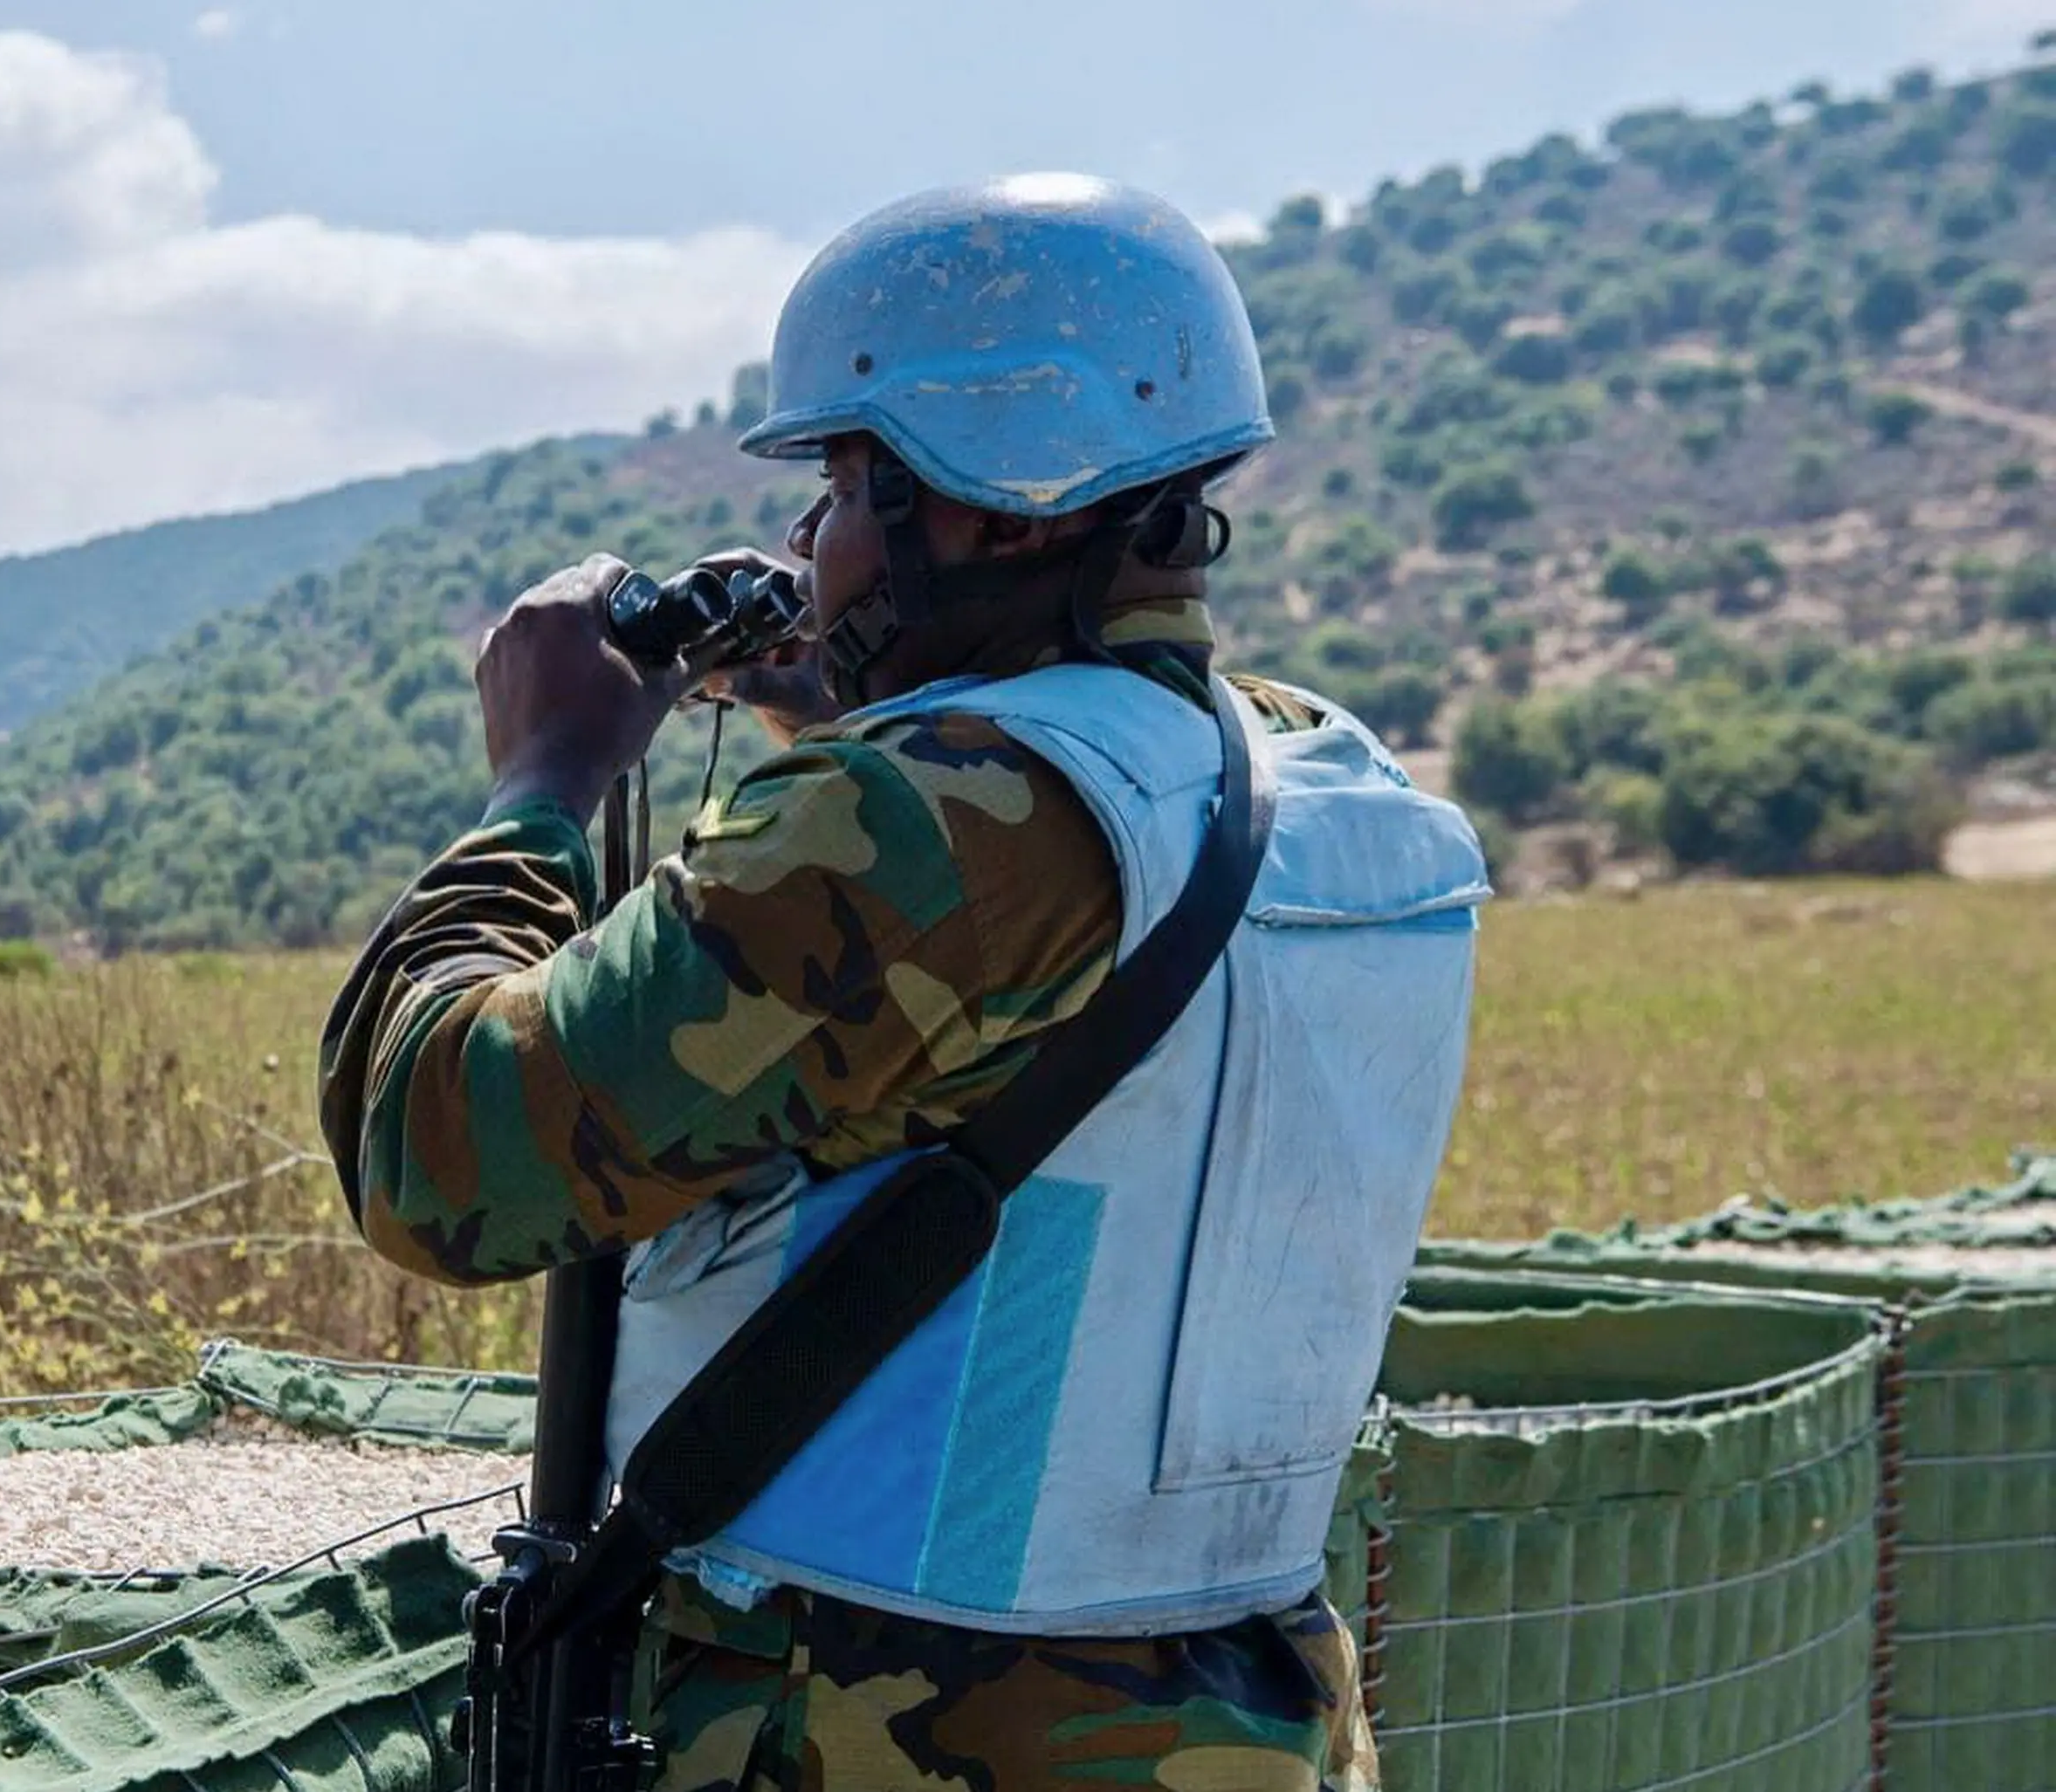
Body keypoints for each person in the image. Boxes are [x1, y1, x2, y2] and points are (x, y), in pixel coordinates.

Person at [318, 175, 1489, 1792]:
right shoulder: (1340, 796)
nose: (812, 546)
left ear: (998, 507)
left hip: (887, 1724)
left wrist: (545, 776)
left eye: (851, 490)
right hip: (1242, 1714)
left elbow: (440, 1158)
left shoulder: (909, 830)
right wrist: (871, 714)